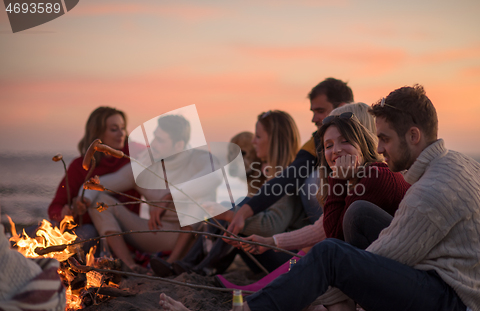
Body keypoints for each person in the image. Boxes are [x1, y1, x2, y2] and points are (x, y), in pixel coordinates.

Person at [159, 85, 480, 311]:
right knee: (333, 253)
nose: (380, 148)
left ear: (414, 135)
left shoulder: (429, 193)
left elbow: (365, 262)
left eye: (385, 139)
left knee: (329, 256)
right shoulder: (463, 166)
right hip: (473, 301)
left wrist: (307, 288)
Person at [218, 102, 410, 292]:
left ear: (361, 134)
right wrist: (271, 242)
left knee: (317, 249)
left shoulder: (376, 177)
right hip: (373, 265)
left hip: (392, 277)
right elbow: (323, 229)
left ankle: (272, 288)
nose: (336, 150)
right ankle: (268, 286)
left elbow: (334, 238)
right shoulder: (359, 176)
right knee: (311, 248)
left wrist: (338, 178)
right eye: (329, 144)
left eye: (345, 139)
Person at [156, 110, 310, 277]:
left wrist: (228, 215)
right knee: (234, 210)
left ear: (273, 141)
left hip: (289, 261)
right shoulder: (276, 175)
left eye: (258, 137)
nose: (253, 141)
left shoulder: (287, 178)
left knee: (239, 207)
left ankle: (199, 269)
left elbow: (270, 226)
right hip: (269, 255)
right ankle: (192, 266)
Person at [81, 114, 221, 273]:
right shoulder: (146, 162)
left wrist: (170, 196)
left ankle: (171, 263)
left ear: (179, 145)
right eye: (154, 137)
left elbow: (214, 177)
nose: (152, 144)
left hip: (195, 239)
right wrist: (84, 199)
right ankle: (129, 266)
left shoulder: (201, 159)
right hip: (160, 234)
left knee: (198, 204)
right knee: (99, 199)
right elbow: (105, 182)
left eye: (160, 140)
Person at [227, 78, 354, 237]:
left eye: (320, 111)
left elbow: (287, 180)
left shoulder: (364, 138)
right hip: (325, 224)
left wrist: (236, 214)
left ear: (342, 108)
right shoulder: (316, 142)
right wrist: (242, 212)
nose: (313, 119)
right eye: (313, 112)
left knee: (313, 180)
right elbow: (291, 174)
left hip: (351, 224)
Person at [47, 106, 140, 246]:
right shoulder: (79, 166)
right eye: (114, 129)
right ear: (98, 133)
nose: (121, 133)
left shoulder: (133, 155)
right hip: (88, 228)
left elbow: (162, 160)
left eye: (123, 128)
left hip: (124, 232)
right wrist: (65, 213)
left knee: (87, 234)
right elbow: (55, 207)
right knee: (35, 233)